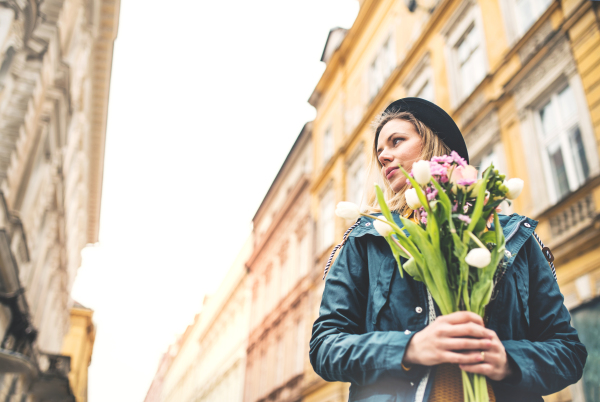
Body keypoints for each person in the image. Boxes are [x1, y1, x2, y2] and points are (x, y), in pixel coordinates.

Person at [309, 98, 587, 402]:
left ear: (432, 144)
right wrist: (410, 348)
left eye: (396, 141)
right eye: (379, 151)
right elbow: (325, 345)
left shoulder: (512, 236)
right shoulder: (366, 240)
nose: (384, 156)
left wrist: (508, 359)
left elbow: (568, 352)